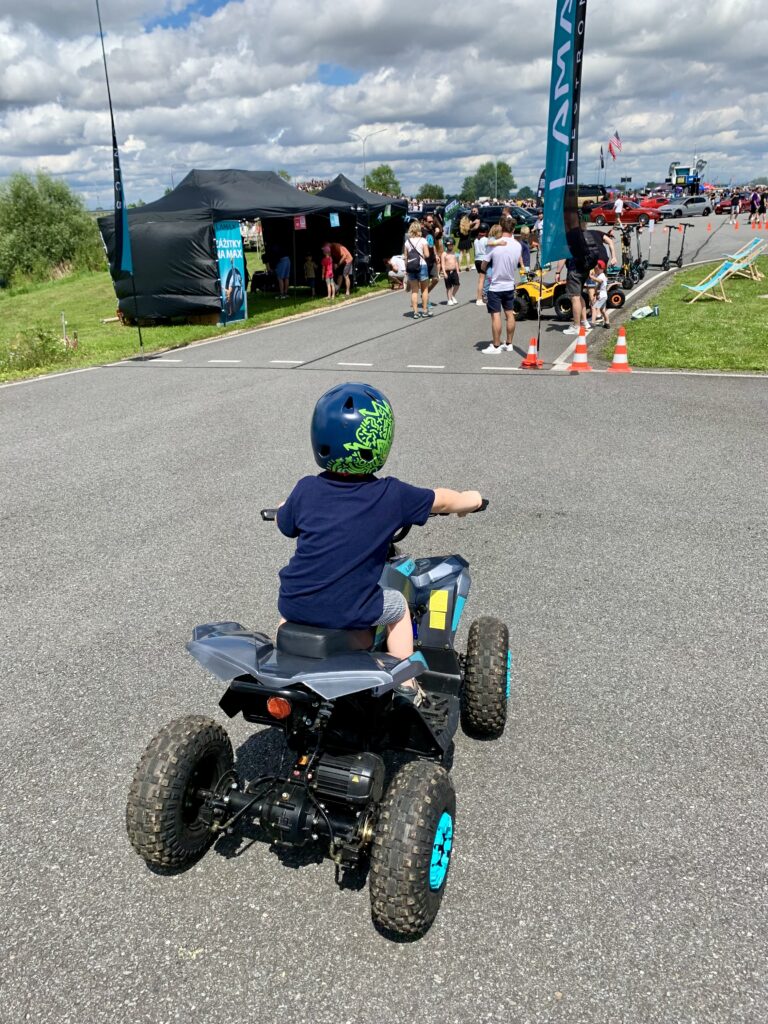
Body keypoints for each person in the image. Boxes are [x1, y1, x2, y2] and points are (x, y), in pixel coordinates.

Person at [276, 382, 482, 700]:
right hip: (349, 611)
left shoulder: (304, 489)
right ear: (379, 440)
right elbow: (441, 500)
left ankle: (289, 668)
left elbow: (285, 523)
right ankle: (404, 681)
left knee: (294, 610)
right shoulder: (390, 495)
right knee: (398, 607)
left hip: (293, 606)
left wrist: (281, 511)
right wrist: (469, 500)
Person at [479, 215, 522, 354]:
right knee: (510, 314)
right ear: (513, 229)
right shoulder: (517, 245)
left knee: (495, 315)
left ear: (501, 227)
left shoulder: (496, 244)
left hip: (496, 285)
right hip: (509, 283)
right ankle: (509, 343)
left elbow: (484, 264)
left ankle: (496, 345)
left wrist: (482, 275)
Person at [403, 220, 431, 318]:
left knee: (414, 290)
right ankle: (424, 310)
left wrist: (406, 268)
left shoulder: (407, 242)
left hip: (411, 267)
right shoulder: (423, 240)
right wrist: (422, 254)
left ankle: (415, 312)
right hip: (422, 265)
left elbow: (405, 257)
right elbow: (427, 255)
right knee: (424, 289)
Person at [588, 259, 610, 329]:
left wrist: (592, 277)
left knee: (594, 307)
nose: (595, 269)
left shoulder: (602, 276)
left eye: (596, 268)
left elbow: (600, 281)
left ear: (600, 268)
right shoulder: (600, 275)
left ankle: (593, 323)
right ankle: (607, 322)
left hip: (602, 295)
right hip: (603, 295)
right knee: (602, 310)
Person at [473, 223, 490, 305]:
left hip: (477, 260)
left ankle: (483, 296)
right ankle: (479, 299)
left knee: (482, 279)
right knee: (482, 280)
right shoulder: (486, 240)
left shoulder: (476, 240)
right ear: (486, 231)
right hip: (483, 260)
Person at [441, 237, 461, 304]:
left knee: (457, 284)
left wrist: (458, 271)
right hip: (447, 272)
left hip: (454, 271)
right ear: (447, 245)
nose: (451, 246)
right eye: (449, 245)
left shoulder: (454, 253)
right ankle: (449, 299)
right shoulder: (444, 254)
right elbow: (443, 264)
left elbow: (456, 262)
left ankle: (453, 295)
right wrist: (444, 273)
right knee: (449, 287)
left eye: (452, 245)